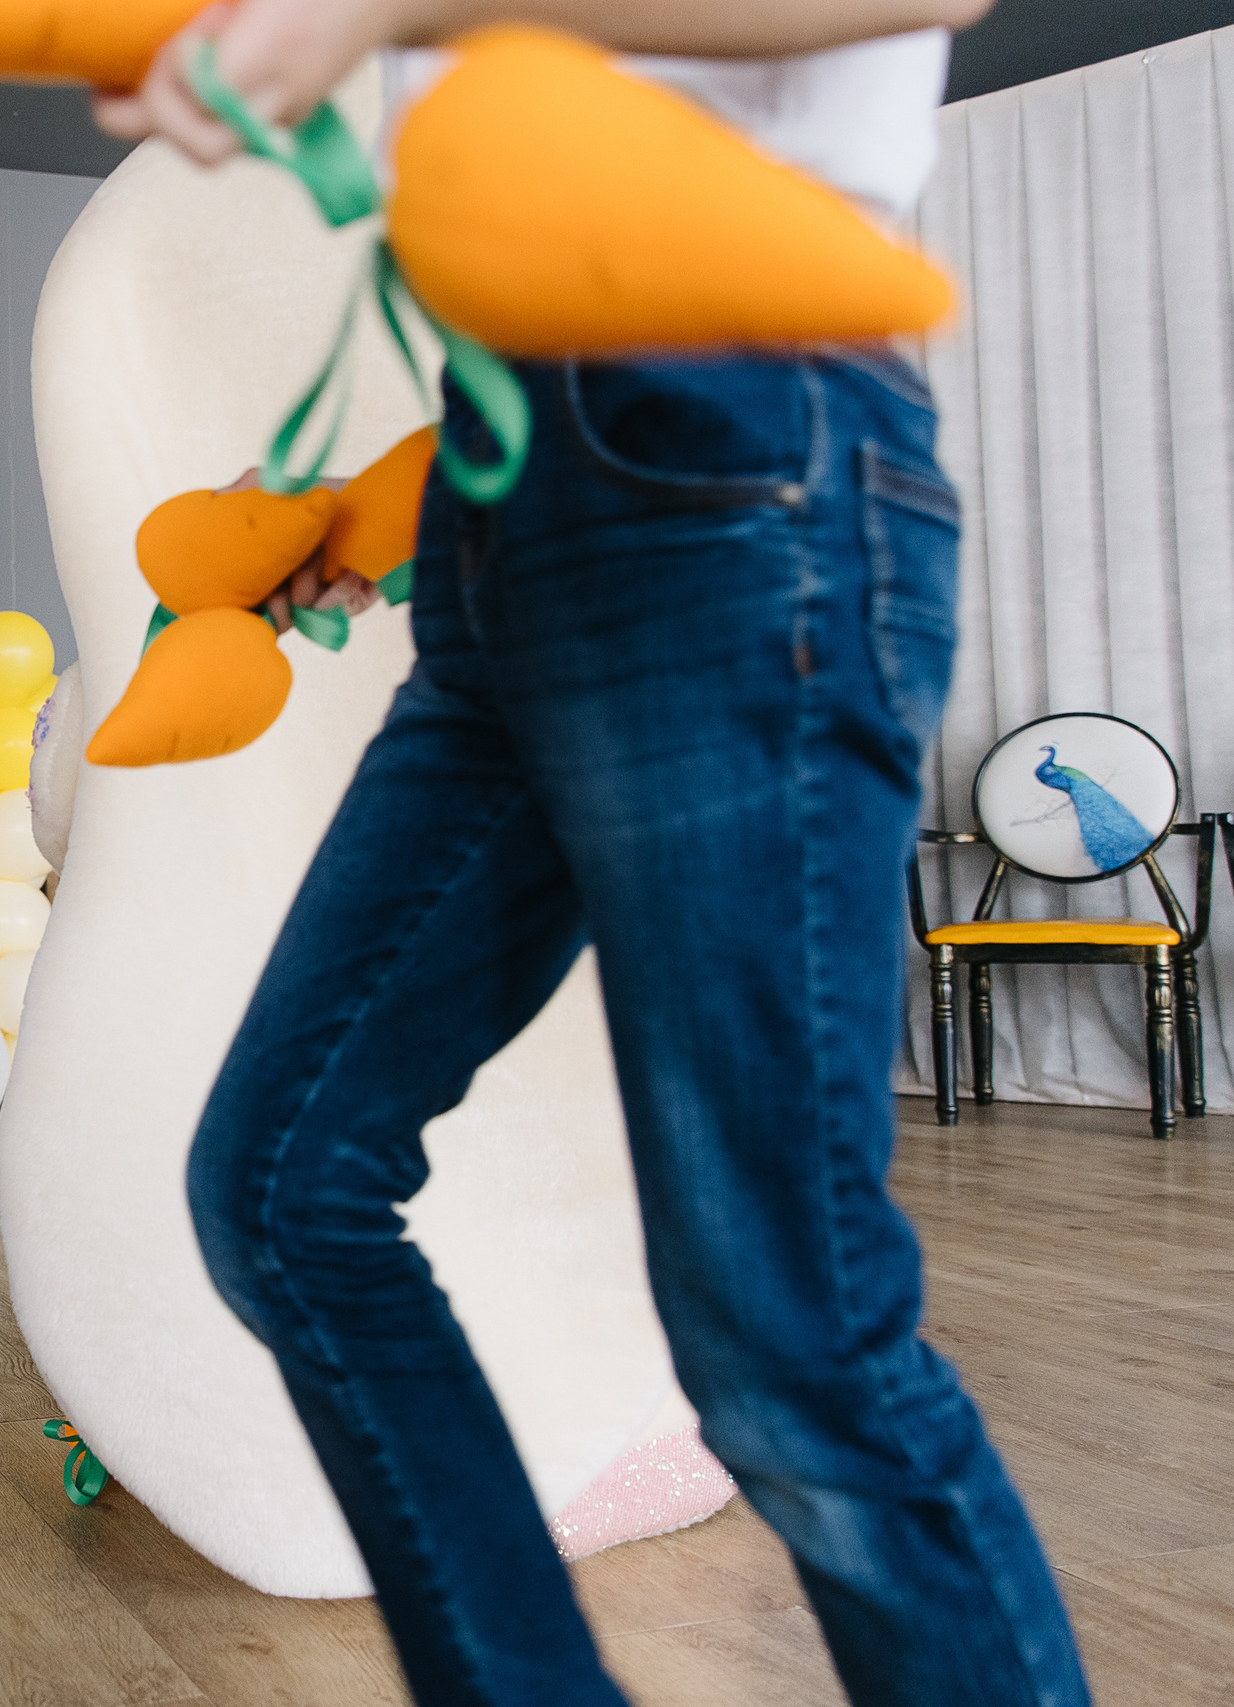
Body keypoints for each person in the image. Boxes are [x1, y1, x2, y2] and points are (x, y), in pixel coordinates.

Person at [103, 4, 1094, 1705]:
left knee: (786, 1329)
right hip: (525, 492)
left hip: (738, 449)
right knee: (281, 1184)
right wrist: (431, 507)